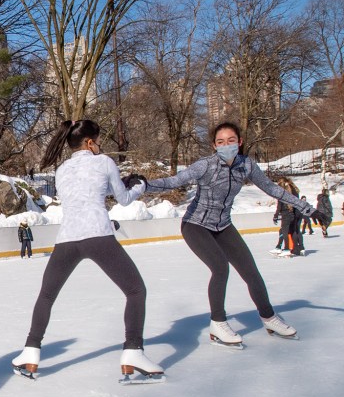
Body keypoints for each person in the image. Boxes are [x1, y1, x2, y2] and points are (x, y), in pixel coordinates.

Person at [139, 122, 329, 347]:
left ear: (239, 142)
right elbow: (173, 182)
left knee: (251, 271)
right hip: (196, 225)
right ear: (214, 145)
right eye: (220, 142)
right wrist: (142, 185)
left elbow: (273, 189)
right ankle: (218, 323)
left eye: (231, 141)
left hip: (224, 226)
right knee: (220, 268)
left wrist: (309, 208)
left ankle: (268, 317)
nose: (226, 145)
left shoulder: (246, 165)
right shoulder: (205, 165)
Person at [11, 120, 164, 383]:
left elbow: (84, 191)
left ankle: (30, 351)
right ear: (90, 142)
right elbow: (123, 199)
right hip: (98, 235)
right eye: (98, 141)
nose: (100, 145)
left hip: (67, 239)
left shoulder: (61, 170)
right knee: (136, 290)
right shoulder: (104, 161)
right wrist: (139, 184)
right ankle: (133, 351)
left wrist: (118, 182)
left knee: (46, 296)